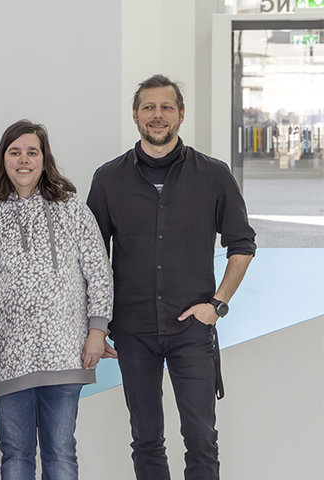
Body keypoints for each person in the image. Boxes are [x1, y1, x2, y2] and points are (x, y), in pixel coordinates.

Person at [87, 74, 256, 480]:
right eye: (149, 107)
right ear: (135, 115)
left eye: (166, 107)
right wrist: (96, 325)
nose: (157, 115)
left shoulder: (214, 175)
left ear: (181, 114)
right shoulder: (108, 179)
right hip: (133, 331)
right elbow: (91, 258)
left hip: (192, 330)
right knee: (145, 438)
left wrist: (217, 304)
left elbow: (242, 244)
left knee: (201, 436)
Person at [0, 120, 115, 480]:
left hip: (65, 353)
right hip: (7, 360)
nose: (23, 160)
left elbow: (99, 273)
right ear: (3, 159)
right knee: (15, 455)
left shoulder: (72, 209)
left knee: (61, 453)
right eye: (15, 152)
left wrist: (96, 331)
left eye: (32, 152)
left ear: (45, 159)